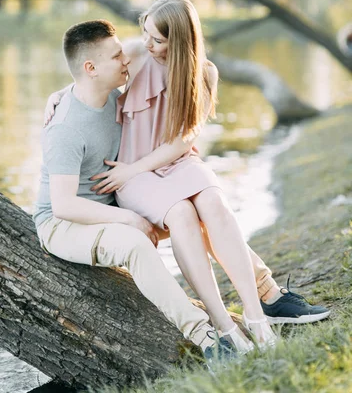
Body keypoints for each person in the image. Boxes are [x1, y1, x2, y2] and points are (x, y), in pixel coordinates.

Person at [34, 19, 229, 362]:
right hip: (64, 224)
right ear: (91, 68)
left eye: (122, 52)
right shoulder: (63, 130)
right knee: (136, 244)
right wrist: (129, 218)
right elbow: (63, 206)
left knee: (195, 208)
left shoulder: (110, 94)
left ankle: (260, 292)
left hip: (109, 204)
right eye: (116, 56)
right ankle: (208, 337)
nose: (126, 60)